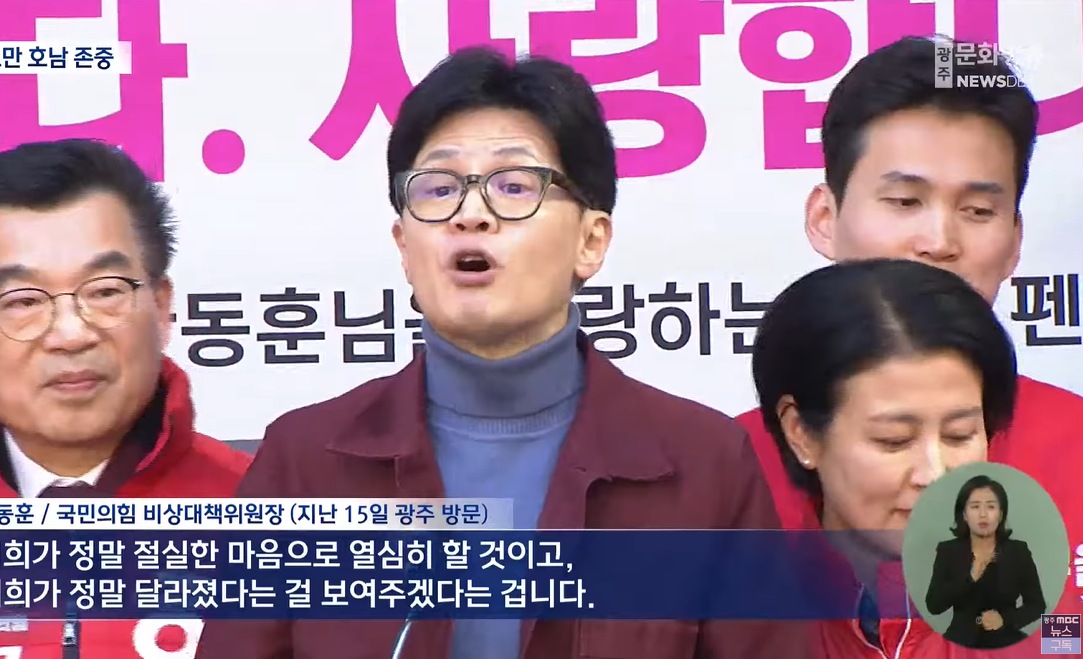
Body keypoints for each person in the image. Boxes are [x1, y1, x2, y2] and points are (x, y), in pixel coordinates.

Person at [196, 47, 811, 659]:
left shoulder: (704, 462)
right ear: (404, 246)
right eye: (438, 188)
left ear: (591, 241)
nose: (470, 215)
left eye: (514, 186)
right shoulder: (304, 463)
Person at [734, 35, 1083, 653]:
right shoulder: (721, 476)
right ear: (824, 218)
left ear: (1015, 239)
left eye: (977, 210)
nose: (938, 240)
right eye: (904, 201)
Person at [0, 139, 251, 658]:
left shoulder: (270, 513)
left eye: (105, 291)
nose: (70, 334)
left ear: (161, 309)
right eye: (23, 300)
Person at [752, 257, 1020, 658]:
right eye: (894, 440)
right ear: (801, 433)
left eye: (959, 435)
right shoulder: (738, 623)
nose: (935, 474)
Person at [926, 475, 1045, 649]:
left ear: (1001, 514)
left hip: (1006, 642)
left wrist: (1005, 619)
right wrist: (971, 577)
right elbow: (934, 605)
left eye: (991, 507)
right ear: (964, 514)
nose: (983, 514)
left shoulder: (1017, 551)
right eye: (975, 507)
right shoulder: (949, 551)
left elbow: (1036, 605)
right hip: (959, 643)